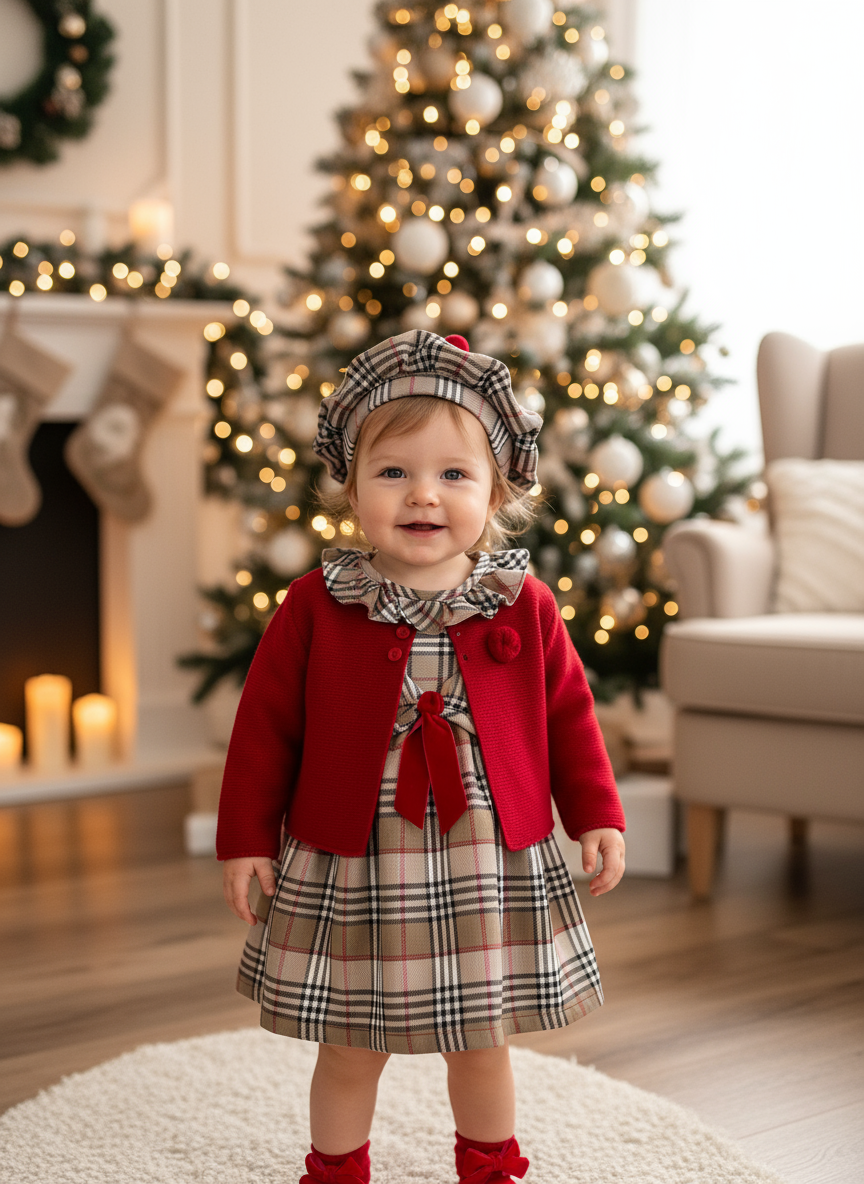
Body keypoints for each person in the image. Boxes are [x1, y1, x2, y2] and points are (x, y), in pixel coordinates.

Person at [217, 330, 626, 1184]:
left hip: (485, 860)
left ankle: (488, 1165)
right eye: (393, 472)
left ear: (497, 491)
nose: (422, 496)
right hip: (356, 860)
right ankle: (335, 1167)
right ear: (353, 487)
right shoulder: (318, 604)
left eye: (453, 474)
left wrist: (596, 816)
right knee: (350, 1045)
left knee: (482, 1041)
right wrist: (246, 839)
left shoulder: (522, 602)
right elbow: (264, 729)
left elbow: (569, 718)